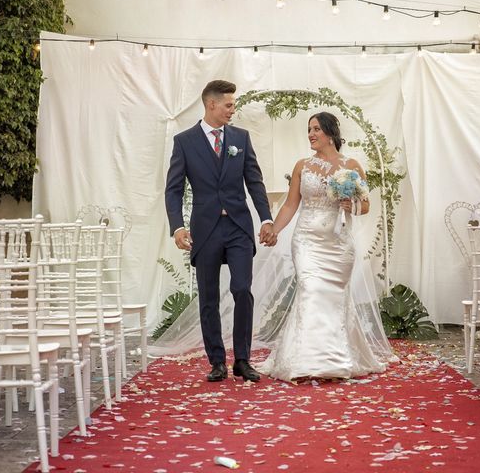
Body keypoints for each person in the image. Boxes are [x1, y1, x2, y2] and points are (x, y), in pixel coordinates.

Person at [257, 112, 389, 381]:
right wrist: (274, 228)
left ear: (330, 132)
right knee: (311, 290)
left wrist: (349, 204)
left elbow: (365, 205)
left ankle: (336, 357)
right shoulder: (301, 166)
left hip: (339, 244)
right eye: (309, 130)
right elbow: (292, 204)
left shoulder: (352, 166)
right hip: (306, 240)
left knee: (333, 298)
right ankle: (308, 361)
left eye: (316, 129)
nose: (311, 134)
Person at [165, 79, 276, 383]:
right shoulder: (184, 142)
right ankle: (217, 362)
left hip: (239, 226)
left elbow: (254, 182)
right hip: (206, 229)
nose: (233, 109)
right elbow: (173, 190)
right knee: (209, 298)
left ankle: (242, 360)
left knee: (242, 289)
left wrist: (266, 218)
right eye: (228, 104)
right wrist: (177, 226)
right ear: (211, 104)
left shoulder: (241, 137)